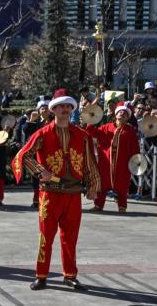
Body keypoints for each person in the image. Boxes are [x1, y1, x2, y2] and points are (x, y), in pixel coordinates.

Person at [13, 93, 101, 290]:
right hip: (50, 194)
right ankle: (41, 275)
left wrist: (94, 186)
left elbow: (90, 163)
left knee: (70, 238)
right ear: (53, 110)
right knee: (46, 236)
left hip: (73, 194)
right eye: (61, 106)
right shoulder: (42, 134)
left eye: (68, 107)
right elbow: (22, 155)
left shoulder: (82, 135)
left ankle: (70, 275)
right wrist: (39, 170)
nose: (65, 110)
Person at [89, 104, 141, 213]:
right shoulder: (106, 127)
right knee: (102, 184)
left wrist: (135, 162)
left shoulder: (130, 131)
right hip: (106, 162)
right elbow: (92, 132)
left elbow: (135, 148)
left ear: (128, 117)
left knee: (122, 185)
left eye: (125, 113)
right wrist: (90, 121)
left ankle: (122, 206)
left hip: (123, 163)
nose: (122, 114)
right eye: (120, 112)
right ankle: (98, 205)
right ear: (115, 114)